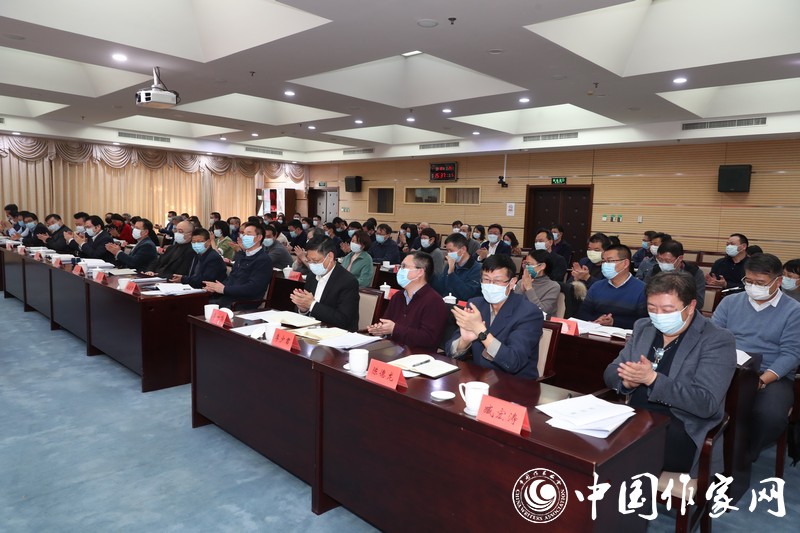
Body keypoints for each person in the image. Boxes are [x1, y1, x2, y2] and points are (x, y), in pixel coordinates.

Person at [604, 271, 736, 476]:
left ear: (690, 306)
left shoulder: (716, 339)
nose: (658, 316)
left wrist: (653, 380)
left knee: (620, 454)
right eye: (652, 308)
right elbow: (611, 372)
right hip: (636, 418)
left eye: (667, 310)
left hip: (682, 427)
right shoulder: (644, 327)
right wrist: (627, 382)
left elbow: (706, 403)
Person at [712, 253, 800, 462]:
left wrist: (761, 380)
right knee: (699, 400)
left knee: (770, 415)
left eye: (760, 283)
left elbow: (791, 354)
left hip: (770, 374)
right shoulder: (730, 302)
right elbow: (713, 337)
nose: (753, 287)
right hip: (728, 367)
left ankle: (744, 455)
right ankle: (712, 450)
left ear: (778, 281)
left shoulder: (794, 311)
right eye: (749, 281)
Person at [446, 255, 543, 379]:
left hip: (515, 383)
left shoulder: (529, 313)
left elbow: (513, 362)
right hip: (480, 378)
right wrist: (464, 341)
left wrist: (481, 331)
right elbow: (450, 352)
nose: (490, 285)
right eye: (486, 279)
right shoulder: (476, 304)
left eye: (497, 281)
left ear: (512, 282)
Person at [367, 251, 448, 352]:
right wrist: (381, 330)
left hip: (418, 356)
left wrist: (395, 329)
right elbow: (387, 322)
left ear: (420, 272)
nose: (400, 270)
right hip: (392, 350)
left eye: (404, 267)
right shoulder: (398, 296)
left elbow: (429, 338)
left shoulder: (434, 301)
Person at [289, 236, 359, 331]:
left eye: (315, 261)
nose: (312, 265)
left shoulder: (348, 281)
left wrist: (312, 305)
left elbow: (343, 319)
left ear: (330, 257)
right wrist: (303, 309)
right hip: (311, 330)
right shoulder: (312, 275)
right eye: (309, 261)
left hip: (336, 333)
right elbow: (305, 309)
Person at [203, 223, 272, 309]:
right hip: (228, 297)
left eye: (248, 234)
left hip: (243, 303)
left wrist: (224, 289)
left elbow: (253, 288)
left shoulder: (263, 260)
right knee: (197, 304)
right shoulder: (242, 255)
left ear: (259, 237)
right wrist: (215, 287)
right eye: (243, 234)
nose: (244, 237)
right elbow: (232, 278)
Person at [577, 245, 647, 329]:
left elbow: (644, 322)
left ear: (625, 263)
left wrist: (614, 322)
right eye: (603, 261)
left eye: (609, 261)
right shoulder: (597, 286)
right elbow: (582, 313)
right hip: (595, 331)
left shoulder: (642, 289)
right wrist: (597, 320)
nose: (605, 264)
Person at [645, 240, 706, 308]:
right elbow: (644, 294)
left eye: (668, 261)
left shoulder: (694, 273)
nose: (663, 264)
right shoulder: (654, 271)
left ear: (680, 258)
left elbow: (699, 303)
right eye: (660, 260)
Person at [433, 233, 482, 301]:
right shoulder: (449, 265)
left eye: (451, 250)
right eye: (447, 251)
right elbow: (440, 288)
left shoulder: (477, 269)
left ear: (463, 249)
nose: (448, 254)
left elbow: (467, 294)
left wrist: (451, 273)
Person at [516, 249, 561, 317]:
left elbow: (542, 311)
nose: (527, 267)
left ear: (542, 266)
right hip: (520, 319)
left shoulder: (553, 287)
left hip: (541, 321)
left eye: (529, 264)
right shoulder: (521, 282)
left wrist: (529, 288)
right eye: (526, 264)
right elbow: (513, 306)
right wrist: (521, 290)